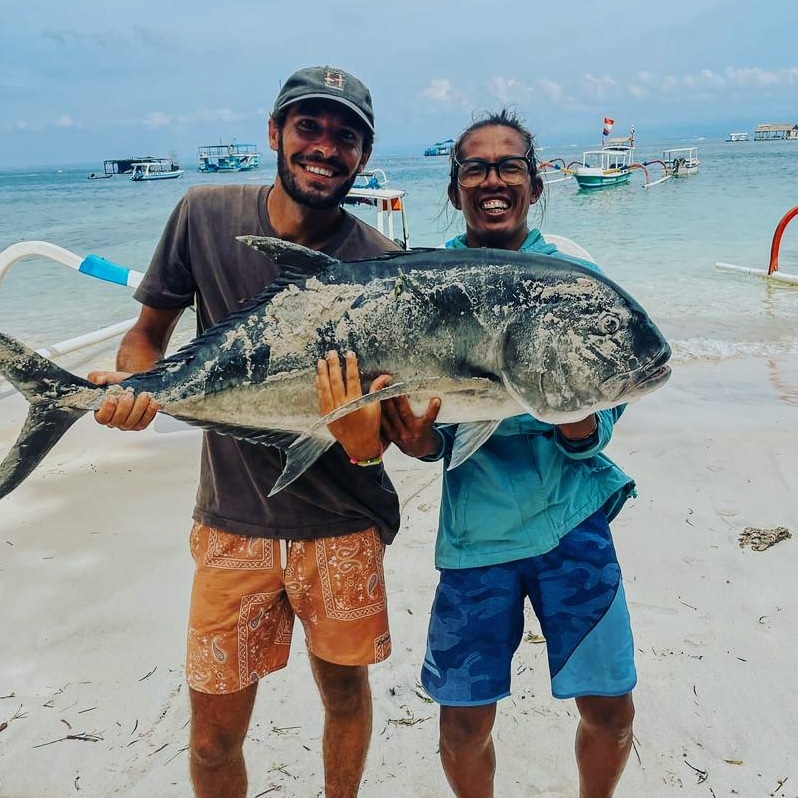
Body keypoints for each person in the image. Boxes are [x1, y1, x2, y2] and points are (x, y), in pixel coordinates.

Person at [89, 65, 402, 798]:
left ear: (363, 153)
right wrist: (131, 390)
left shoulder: (382, 266)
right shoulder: (202, 214)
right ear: (275, 133)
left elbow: (384, 427)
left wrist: (380, 432)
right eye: (310, 127)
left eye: (346, 136)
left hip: (341, 522)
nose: (326, 147)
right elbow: (146, 338)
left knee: (346, 698)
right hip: (232, 521)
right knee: (211, 736)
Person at [319, 109, 638, 798]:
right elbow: (438, 435)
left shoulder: (573, 278)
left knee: (611, 710)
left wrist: (579, 422)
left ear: (535, 182)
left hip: (572, 522)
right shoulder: (422, 282)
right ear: (456, 186)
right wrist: (413, 437)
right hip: (475, 537)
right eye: (476, 168)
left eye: (508, 166)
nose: (493, 180)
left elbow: (605, 412)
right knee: (463, 724)